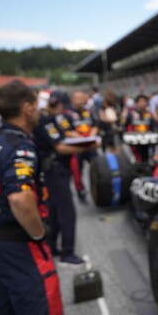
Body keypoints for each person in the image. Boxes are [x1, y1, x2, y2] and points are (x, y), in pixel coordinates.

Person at [0, 80, 64, 315]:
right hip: (21, 244)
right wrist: (39, 233)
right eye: (35, 105)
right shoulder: (20, 147)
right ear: (26, 108)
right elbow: (19, 198)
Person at [34, 90, 98, 267]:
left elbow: (65, 136)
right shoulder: (45, 120)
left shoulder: (54, 118)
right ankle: (67, 252)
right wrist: (88, 147)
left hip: (57, 170)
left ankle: (52, 246)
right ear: (56, 104)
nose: (63, 110)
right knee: (67, 211)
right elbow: (60, 147)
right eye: (62, 106)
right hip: (54, 171)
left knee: (54, 210)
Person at [65, 90, 99, 203]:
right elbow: (67, 130)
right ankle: (81, 191)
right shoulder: (67, 113)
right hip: (76, 147)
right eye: (77, 98)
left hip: (90, 145)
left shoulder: (89, 111)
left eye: (82, 97)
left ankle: (99, 188)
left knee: (97, 166)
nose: (80, 100)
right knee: (77, 171)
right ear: (72, 99)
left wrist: (92, 135)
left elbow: (95, 125)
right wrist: (81, 139)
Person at [121, 94, 158, 163]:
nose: (142, 104)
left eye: (144, 102)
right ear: (136, 103)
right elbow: (124, 126)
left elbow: (154, 127)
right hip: (135, 142)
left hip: (148, 141)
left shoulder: (150, 115)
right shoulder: (131, 114)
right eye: (140, 102)